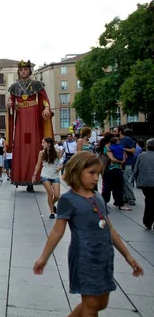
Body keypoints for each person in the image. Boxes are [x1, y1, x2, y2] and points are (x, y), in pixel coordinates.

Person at [33, 152, 143, 317]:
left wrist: (128, 256)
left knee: (100, 303)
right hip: (84, 258)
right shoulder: (68, 200)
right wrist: (43, 258)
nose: (95, 178)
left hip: (104, 256)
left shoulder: (97, 197)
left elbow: (110, 229)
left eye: (98, 173)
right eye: (91, 173)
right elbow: (57, 231)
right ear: (76, 172)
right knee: (90, 306)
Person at [5, 60, 54, 192]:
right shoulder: (14, 87)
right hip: (21, 118)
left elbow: (45, 99)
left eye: (26, 69)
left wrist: (47, 108)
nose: (23, 71)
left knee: (34, 146)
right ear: (19, 72)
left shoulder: (37, 85)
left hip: (33, 117)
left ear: (30, 71)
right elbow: (11, 101)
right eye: (21, 70)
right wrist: (9, 105)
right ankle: (22, 176)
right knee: (22, 145)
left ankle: (35, 177)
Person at [98, 134, 132, 211]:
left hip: (110, 170)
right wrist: (121, 161)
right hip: (112, 169)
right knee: (115, 186)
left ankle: (109, 202)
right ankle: (118, 203)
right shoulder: (108, 148)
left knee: (109, 186)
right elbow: (112, 159)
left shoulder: (109, 147)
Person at [32, 137, 62, 219]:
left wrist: (60, 167)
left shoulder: (57, 151)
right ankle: (52, 212)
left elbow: (61, 161)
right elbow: (38, 165)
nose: (42, 144)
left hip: (55, 174)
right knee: (50, 194)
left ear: (49, 144)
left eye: (43, 143)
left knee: (57, 195)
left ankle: (51, 204)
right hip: (45, 175)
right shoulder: (41, 153)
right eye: (42, 142)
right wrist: (34, 175)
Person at [133, 138, 154, 230]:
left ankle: (147, 221)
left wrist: (133, 179)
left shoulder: (142, 155)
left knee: (148, 200)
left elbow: (136, 169)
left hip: (145, 183)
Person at [117, 127, 137, 206]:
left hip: (127, 163)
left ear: (120, 131)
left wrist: (123, 148)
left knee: (127, 180)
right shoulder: (116, 140)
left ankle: (131, 198)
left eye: (115, 131)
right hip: (120, 163)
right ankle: (125, 196)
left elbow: (133, 150)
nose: (114, 132)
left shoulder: (128, 140)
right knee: (122, 181)